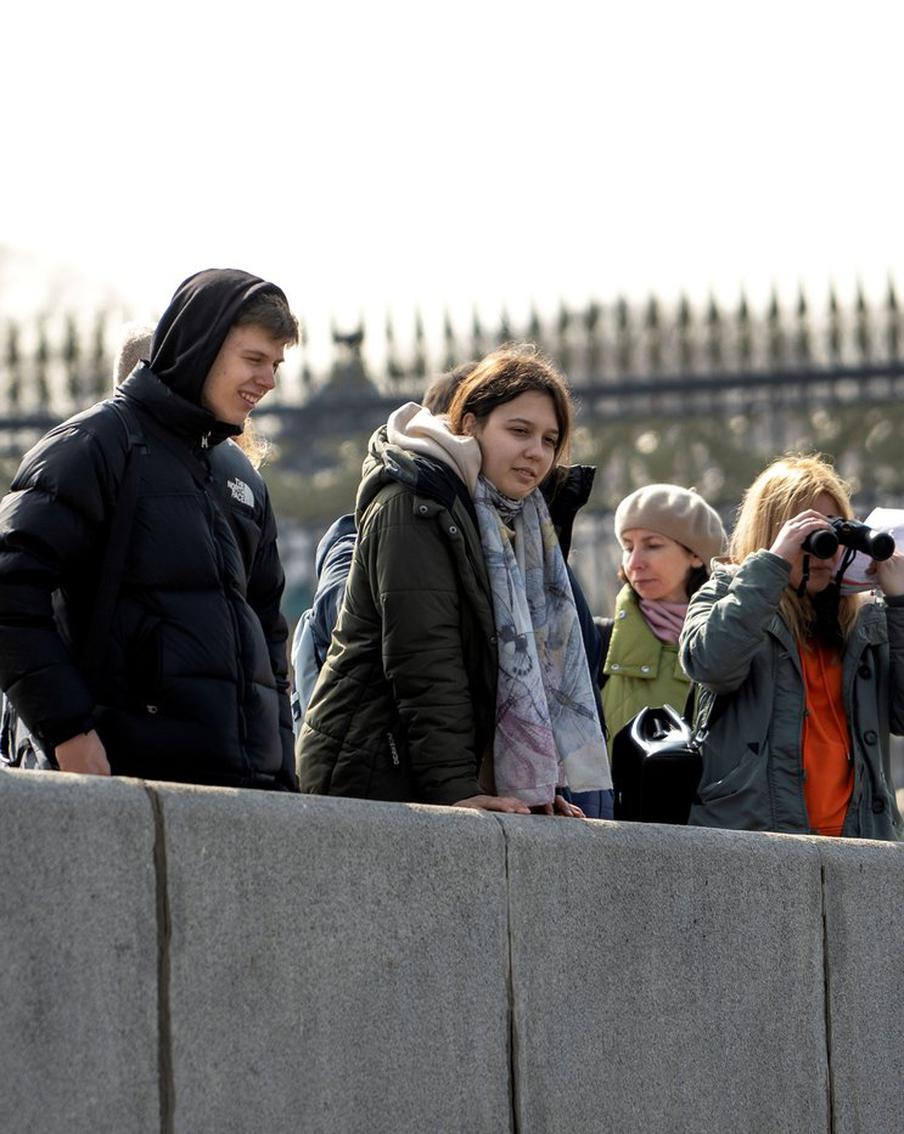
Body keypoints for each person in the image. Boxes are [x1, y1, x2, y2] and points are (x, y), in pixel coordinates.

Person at [0, 268, 300, 790]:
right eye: (253, 359)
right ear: (200, 347)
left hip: (248, 794)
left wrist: (281, 770)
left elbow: (270, 632)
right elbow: (8, 587)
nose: (269, 380)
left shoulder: (241, 477)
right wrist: (68, 730)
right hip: (125, 783)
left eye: (274, 364)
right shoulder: (94, 445)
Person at [296, 344, 610, 814]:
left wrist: (537, 792)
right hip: (373, 773)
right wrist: (453, 788)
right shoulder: (416, 500)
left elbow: (515, 672)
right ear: (469, 424)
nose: (536, 452)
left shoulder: (520, 525)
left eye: (550, 439)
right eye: (519, 430)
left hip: (436, 774)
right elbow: (424, 658)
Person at [679, 454, 904, 838]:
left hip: (859, 840)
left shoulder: (866, 620)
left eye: (834, 535)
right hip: (756, 837)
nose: (822, 552)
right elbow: (711, 664)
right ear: (774, 536)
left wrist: (899, 606)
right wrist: (773, 566)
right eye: (809, 537)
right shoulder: (727, 592)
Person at [600, 484, 726, 741]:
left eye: (653, 545)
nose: (634, 563)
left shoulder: (737, 645)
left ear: (695, 555)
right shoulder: (597, 643)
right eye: (627, 547)